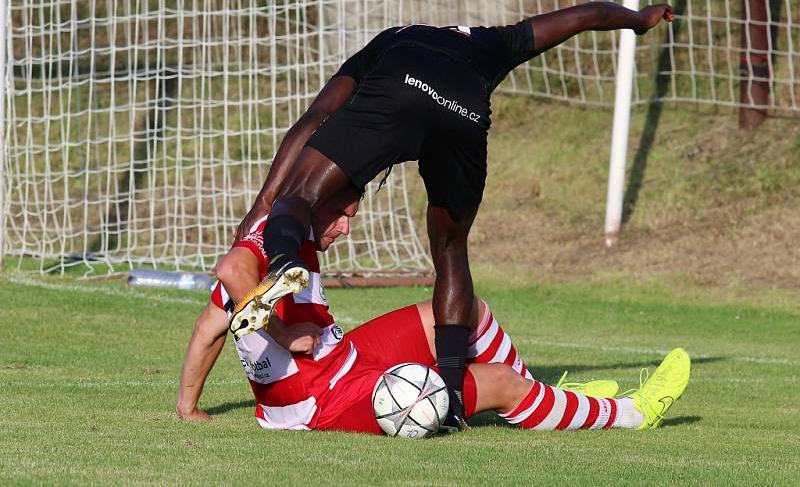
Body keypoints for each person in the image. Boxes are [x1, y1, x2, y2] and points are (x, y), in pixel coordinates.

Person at [226, 1, 675, 426]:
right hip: (464, 106)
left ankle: (284, 263)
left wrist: (263, 205)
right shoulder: (491, 43)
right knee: (451, 253)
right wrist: (638, 19)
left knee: (298, 196)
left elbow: (314, 118)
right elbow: (584, 16)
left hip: (399, 85)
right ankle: (457, 394)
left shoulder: (387, 42)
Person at [177, 187, 690, 433]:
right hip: (321, 402)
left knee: (461, 308)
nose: (347, 229)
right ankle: (631, 414)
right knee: (499, 383)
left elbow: (208, 328)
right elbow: (231, 270)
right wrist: (287, 339)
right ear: (320, 203)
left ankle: (547, 399)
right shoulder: (269, 243)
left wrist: (188, 407)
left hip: (345, 358)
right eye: (345, 217)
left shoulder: (289, 234)